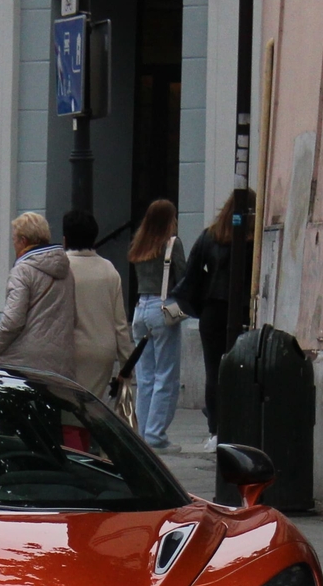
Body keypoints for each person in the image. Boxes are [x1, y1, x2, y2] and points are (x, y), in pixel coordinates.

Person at [173, 188, 252, 452]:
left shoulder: (210, 236)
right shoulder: (252, 239)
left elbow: (190, 275)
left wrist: (198, 304)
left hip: (212, 311)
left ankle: (216, 430)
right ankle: (239, 424)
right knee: (242, 370)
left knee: (213, 371)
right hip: (242, 310)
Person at [126, 200, 188, 449]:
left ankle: (141, 433)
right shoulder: (172, 243)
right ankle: (156, 435)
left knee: (145, 376)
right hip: (163, 309)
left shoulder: (140, 244)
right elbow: (183, 276)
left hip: (140, 309)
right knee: (166, 375)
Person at [0, 212, 74, 375]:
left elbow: (13, 321)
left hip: (25, 360)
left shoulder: (22, 270)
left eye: (14, 240)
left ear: (23, 241)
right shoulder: (67, 270)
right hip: (61, 358)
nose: (14, 245)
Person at [61, 208, 131, 396]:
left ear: (65, 239)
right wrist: (127, 364)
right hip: (102, 352)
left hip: (69, 351)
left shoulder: (61, 268)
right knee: (93, 408)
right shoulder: (109, 270)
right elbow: (120, 324)